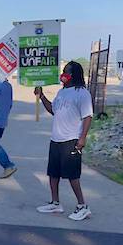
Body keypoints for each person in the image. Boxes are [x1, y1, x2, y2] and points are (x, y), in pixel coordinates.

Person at [34, 61, 93, 221]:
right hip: (56, 139)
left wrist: (82, 138)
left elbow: (87, 116)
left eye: (67, 72)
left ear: (74, 75)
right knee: (53, 173)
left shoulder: (82, 93)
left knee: (72, 175)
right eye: (63, 71)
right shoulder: (61, 92)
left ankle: (82, 206)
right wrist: (42, 96)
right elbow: (53, 109)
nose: (63, 74)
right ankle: (55, 203)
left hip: (72, 139)